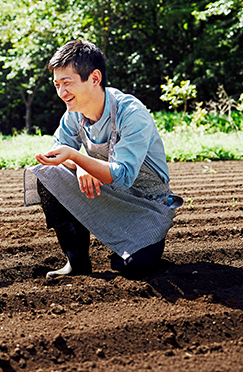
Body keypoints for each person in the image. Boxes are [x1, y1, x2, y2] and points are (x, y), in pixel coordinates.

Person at [24, 39, 183, 278]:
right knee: (47, 174)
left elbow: (123, 174)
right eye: (57, 85)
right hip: (107, 191)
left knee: (136, 268)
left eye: (67, 83)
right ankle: (76, 262)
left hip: (145, 203)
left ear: (95, 78)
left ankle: (137, 247)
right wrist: (79, 165)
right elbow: (60, 150)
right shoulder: (73, 114)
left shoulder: (131, 113)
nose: (61, 92)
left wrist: (77, 157)